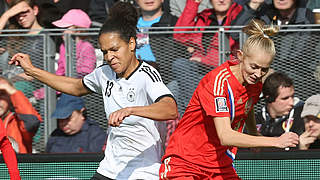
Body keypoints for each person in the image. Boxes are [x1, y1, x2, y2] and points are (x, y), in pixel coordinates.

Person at [9, 1, 178, 180]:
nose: (109, 57)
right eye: (105, 52)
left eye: (114, 49)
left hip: (143, 171)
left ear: (131, 44)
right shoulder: (104, 73)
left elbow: (170, 109)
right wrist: (33, 71)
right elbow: (75, 86)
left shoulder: (146, 75)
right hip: (110, 170)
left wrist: (131, 110)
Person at [159, 19, 299, 179]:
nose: (258, 74)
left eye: (264, 69)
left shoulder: (254, 83)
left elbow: (248, 105)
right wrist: (275, 141)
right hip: (186, 162)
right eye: (254, 67)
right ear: (240, 56)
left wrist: (254, 132)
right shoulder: (219, 82)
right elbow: (225, 136)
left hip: (218, 164)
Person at [254, 72, 305, 137]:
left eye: (292, 96)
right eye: (285, 98)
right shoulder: (255, 122)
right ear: (270, 99)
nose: (291, 102)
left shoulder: (302, 116)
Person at [0, 76, 42, 153]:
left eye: (2, 95)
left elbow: (32, 122)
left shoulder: (17, 122)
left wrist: (12, 91)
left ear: (10, 98)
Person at [52, 9, 96, 78]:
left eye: (65, 28)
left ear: (78, 30)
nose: (62, 31)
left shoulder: (87, 47)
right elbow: (60, 70)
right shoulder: (63, 46)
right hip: (64, 83)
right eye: (61, 28)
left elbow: (86, 73)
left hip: (78, 85)